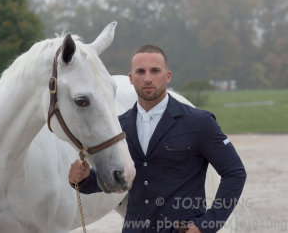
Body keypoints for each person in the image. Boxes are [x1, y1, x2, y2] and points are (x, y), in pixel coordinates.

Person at [68, 45, 246, 233]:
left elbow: (235, 173)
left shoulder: (200, 123)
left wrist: (207, 224)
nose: (147, 78)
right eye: (140, 72)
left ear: (167, 76)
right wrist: (83, 180)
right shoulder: (120, 127)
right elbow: (115, 178)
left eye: (155, 71)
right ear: (131, 78)